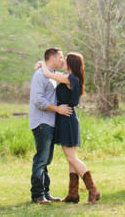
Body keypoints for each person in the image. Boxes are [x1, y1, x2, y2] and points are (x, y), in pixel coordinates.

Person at [41, 52, 100, 204]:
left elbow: (48, 73)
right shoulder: (72, 78)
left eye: (65, 60)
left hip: (67, 120)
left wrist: (41, 64)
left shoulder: (70, 79)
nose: (63, 61)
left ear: (71, 64)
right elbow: (54, 74)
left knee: (71, 158)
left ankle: (93, 190)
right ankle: (73, 194)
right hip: (67, 119)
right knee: (71, 160)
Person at [29, 47, 73, 205]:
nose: (62, 60)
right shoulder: (40, 75)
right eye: (61, 57)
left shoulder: (50, 75)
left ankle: (45, 193)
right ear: (52, 58)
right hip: (42, 122)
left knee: (46, 160)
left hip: (50, 122)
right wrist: (57, 109)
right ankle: (37, 195)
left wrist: (41, 63)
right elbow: (38, 100)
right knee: (41, 159)